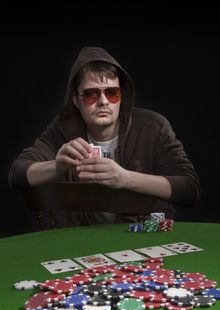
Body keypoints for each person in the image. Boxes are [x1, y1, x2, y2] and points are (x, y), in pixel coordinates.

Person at [8, 46, 200, 228]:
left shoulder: (153, 127)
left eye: (112, 93)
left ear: (121, 96)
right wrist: (57, 166)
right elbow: (17, 173)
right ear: (76, 100)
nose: (103, 102)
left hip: (142, 240)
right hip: (83, 241)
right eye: (91, 94)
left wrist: (125, 179)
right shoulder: (63, 129)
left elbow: (189, 189)